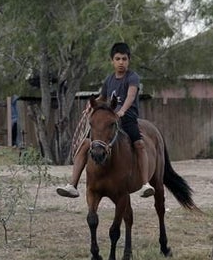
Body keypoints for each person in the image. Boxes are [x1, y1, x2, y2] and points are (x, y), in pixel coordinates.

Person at [56, 42, 154, 199]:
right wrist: (90, 106)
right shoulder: (109, 80)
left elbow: (131, 96)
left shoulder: (132, 77)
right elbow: (102, 97)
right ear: (112, 61)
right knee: (86, 144)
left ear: (128, 60)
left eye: (124, 59)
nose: (121, 62)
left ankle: (145, 184)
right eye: (117, 59)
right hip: (109, 118)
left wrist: (122, 111)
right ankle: (72, 185)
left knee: (139, 144)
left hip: (126, 118)